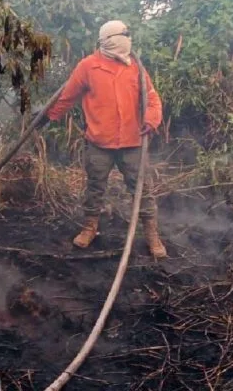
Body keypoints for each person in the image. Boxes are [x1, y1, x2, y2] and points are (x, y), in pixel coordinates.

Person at [36, 20, 167, 258]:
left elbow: (152, 97)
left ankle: (152, 236)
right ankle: (89, 228)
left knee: (142, 190)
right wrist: (48, 117)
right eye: (123, 35)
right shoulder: (89, 66)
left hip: (133, 141)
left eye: (128, 35)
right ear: (108, 41)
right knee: (95, 187)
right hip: (99, 142)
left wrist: (151, 119)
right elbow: (68, 97)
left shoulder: (135, 67)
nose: (128, 40)